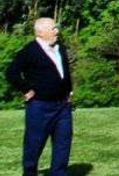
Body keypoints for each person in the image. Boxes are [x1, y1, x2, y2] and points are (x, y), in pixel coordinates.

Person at [5, 17, 72, 176]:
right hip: (40, 107)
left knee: (63, 144)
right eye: (53, 28)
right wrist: (26, 89)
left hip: (63, 107)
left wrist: (69, 91)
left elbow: (65, 72)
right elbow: (11, 72)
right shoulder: (30, 51)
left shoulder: (60, 47)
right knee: (34, 146)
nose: (57, 31)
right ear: (41, 32)